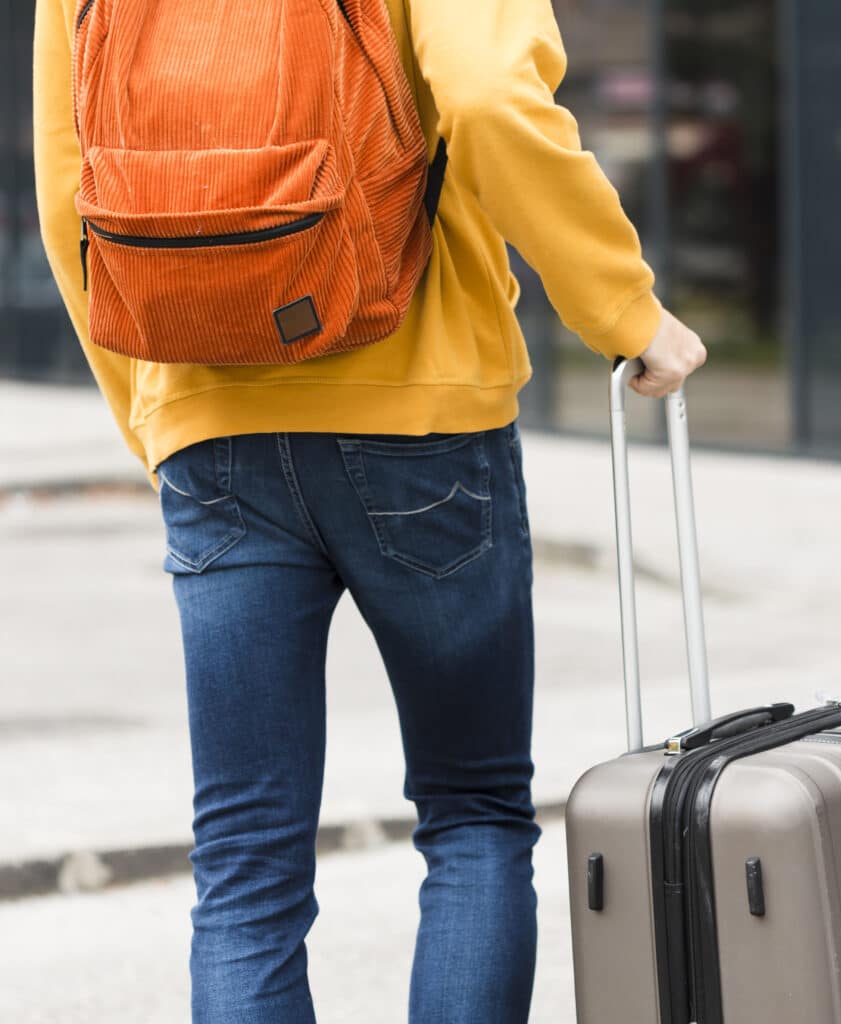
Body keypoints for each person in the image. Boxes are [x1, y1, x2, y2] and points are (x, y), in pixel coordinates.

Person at [33, 0, 706, 1020]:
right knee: (473, 814)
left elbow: (64, 190)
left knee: (244, 866)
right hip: (421, 415)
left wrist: (157, 422)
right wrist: (622, 310)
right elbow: (485, 98)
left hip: (208, 424)